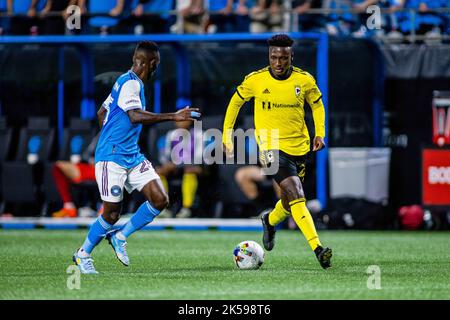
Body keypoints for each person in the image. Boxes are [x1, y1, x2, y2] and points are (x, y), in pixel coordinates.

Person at [72, 41, 201, 274]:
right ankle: (83, 254)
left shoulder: (125, 82)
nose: (156, 69)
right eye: (157, 64)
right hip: (112, 157)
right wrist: (174, 115)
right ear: (151, 63)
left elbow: (102, 112)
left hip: (131, 155)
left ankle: (120, 237)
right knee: (111, 213)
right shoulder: (130, 83)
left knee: (160, 199)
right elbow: (134, 116)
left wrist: (113, 134)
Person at [222, 34, 333, 269]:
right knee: (296, 191)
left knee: (288, 200)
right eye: (274, 57)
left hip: (299, 147)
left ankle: (269, 221)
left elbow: (317, 104)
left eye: (283, 58)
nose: (278, 63)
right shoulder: (256, 80)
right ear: (269, 56)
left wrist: (320, 133)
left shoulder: (304, 80)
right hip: (270, 146)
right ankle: (318, 248)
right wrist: (226, 135)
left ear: (291, 56)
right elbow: (235, 103)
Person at [155, 120, 203, 218]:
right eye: (179, 120)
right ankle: (164, 208)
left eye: (184, 119)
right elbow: (165, 156)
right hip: (175, 167)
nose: (181, 122)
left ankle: (187, 208)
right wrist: (166, 165)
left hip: (193, 167)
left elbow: (200, 157)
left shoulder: (198, 134)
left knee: (189, 172)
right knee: (159, 172)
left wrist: (178, 165)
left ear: (190, 121)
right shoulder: (170, 135)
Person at [52, 134, 99, 218]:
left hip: (107, 168)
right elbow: (88, 154)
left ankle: (106, 207)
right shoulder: (103, 129)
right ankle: (69, 208)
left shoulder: (121, 129)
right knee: (58, 166)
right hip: (90, 166)